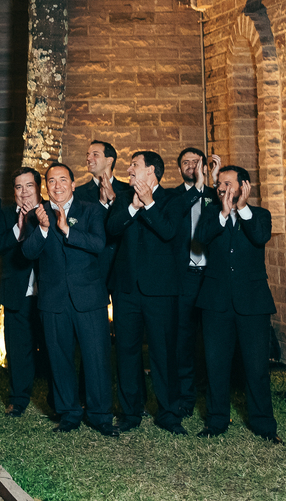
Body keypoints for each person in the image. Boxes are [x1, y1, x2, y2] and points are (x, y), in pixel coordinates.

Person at [21, 164, 116, 436]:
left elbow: (99, 244)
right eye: (51, 181)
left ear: (73, 184)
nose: (57, 185)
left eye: (63, 180)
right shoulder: (36, 215)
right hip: (53, 300)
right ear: (45, 187)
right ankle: (69, 413)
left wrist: (67, 230)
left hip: (89, 299)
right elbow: (27, 252)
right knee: (59, 358)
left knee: (96, 357)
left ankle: (100, 416)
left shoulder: (91, 210)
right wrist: (42, 228)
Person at [195, 166, 280, 443]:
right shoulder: (210, 214)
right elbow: (201, 241)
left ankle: (264, 425)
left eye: (227, 183)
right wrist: (223, 212)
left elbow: (260, 237)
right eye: (219, 183)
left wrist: (242, 208)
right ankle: (216, 421)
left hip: (252, 304)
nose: (221, 187)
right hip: (215, 303)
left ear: (243, 186)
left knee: (256, 369)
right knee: (216, 366)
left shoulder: (260, 215)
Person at [106, 150, 187, 434]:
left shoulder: (173, 201)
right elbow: (112, 229)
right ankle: (130, 413)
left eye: (134, 165)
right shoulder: (123, 198)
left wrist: (149, 204)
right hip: (126, 290)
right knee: (126, 351)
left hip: (161, 292)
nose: (128, 169)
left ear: (151, 171)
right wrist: (132, 207)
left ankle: (168, 413)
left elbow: (169, 232)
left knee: (163, 353)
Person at [0, 167, 43, 417]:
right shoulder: (7, 213)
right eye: (18, 187)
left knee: (53, 348)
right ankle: (18, 399)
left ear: (38, 188)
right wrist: (17, 229)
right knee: (18, 349)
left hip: (49, 294)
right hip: (17, 292)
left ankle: (59, 398)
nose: (24, 192)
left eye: (29, 186)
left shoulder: (49, 211)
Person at [170, 147, 220, 418]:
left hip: (212, 278)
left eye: (195, 162)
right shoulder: (172, 197)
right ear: (179, 169)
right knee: (184, 340)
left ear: (203, 165)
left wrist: (211, 183)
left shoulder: (215, 195)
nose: (190, 166)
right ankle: (186, 398)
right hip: (185, 277)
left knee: (214, 341)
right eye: (185, 163)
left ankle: (215, 399)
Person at [75, 140, 129, 287]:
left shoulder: (128, 191)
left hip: (122, 266)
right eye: (87, 155)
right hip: (93, 265)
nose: (88, 158)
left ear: (109, 160)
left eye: (95, 154)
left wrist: (114, 201)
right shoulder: (78, 194)